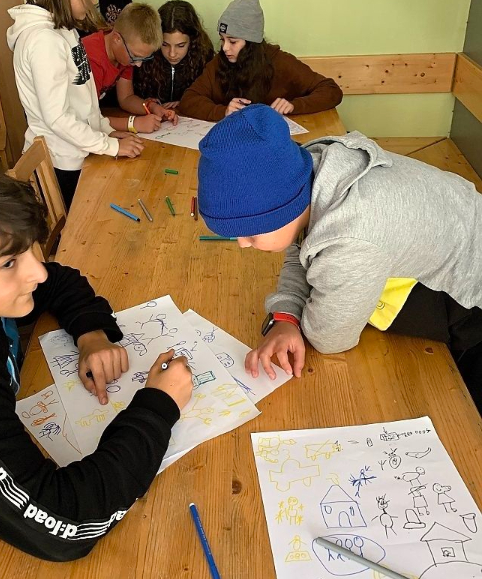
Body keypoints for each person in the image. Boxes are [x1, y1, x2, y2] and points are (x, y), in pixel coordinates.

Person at [0, 160, 193, 579]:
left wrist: (91, 333)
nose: (35, 272)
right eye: (9, 263)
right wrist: (159, 406)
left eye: (30, 250)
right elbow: (67, 523)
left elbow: (58, 280)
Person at [197, 103, 482, 409]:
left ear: (285, 209)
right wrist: (286, 316)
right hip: (454, 230)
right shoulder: (310, 175)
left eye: (251, 233)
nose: (242, 244)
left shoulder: (351, 234)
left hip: (468, 297)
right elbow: (302, 249)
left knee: (465, 397)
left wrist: (302, 321)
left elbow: (331, 338)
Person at [7, 0, 143, 210]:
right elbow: (57, 117)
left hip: (79, 151)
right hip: (62, 163)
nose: (94, 2)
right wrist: (109, 147)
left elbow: (83, 96)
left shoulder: (64, 29)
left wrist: (106, 132)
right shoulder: (43, 41)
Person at [180, 0, 343, 122]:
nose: (225, 48)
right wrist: (223, 112)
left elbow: (331, 90)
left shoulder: (281, 62)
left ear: (251, 42)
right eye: (222, 39)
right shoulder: (219, 62)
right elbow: (188, 100)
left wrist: (294, 105)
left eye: (233, 41)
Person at [82, 3, 177, 132]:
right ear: (117, 39)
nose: (138, 64)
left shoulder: (125, 54)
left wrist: (153, 108)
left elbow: (126, 98)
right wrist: (133, 124)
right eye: (136, 56)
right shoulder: (91, 60)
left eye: (144, 58)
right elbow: (85, 120)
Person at [134, 0, 215, 108]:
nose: (172, 54)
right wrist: (146, 103)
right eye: (164, 44)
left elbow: (211, 97)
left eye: (180, 46)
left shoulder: (204, 55)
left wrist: (187, 102)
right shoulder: (145, 55)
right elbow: (130, 96)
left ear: (192, 40)